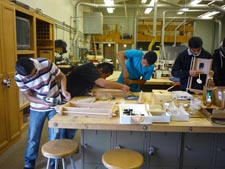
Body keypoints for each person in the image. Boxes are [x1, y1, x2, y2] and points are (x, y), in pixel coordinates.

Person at [14, 57, 71, 169]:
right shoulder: (18, 77)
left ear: (35, 66)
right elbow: (29, 96)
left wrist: (64, 91)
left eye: (33, 74)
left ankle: (52, 164)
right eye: (29, 77)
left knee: (55, 137)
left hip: (55, 103)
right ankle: (29, 164)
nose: (33, 77)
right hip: (37, 107)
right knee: (33, 138)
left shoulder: (45, 63)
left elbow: (62, 76)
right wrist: (43, 102)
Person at [61, 62, 130, 139]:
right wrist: (122, 86)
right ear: (100, 70)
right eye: (105, 76)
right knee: (67, 124)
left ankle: (67, 141)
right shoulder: (89, 68)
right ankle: (62, 144)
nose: (105, 78)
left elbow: (100, 83)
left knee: (72, 126)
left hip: (74, 96)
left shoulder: (92, 71)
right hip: (66, 97)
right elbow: (103, 83)